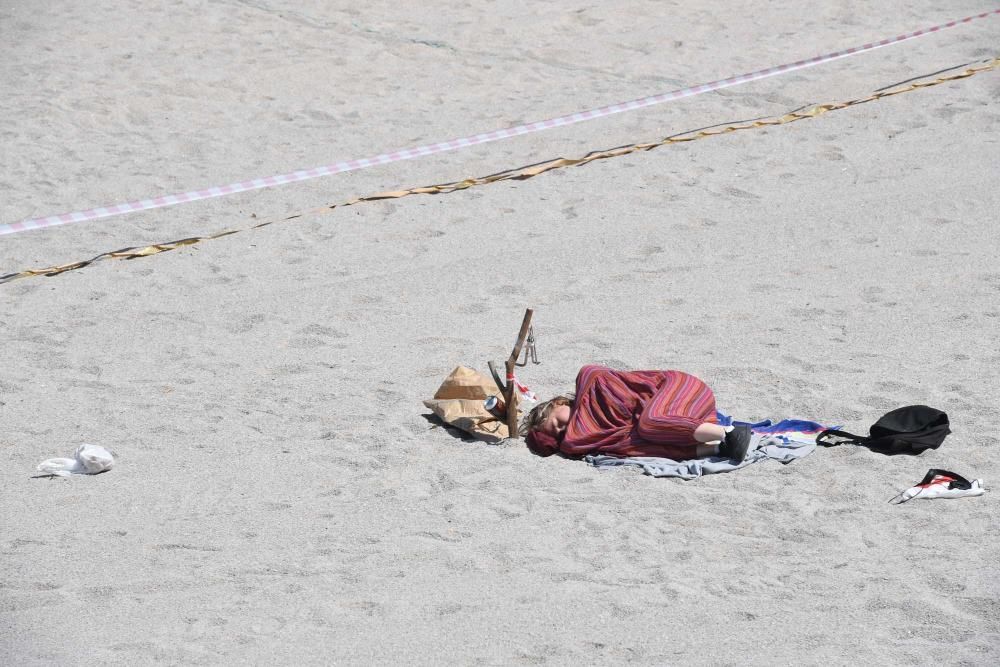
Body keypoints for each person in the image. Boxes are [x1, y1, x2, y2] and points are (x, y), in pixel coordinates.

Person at [520, 364, 752, 461]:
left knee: (649, 423)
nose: (564, 430)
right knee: (632, 443)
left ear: (559, 403)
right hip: (693, 421)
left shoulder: (590, 380)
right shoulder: (600, 434)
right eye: (559, 434)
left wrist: (569, 440)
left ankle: (730, 433)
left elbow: (594, 373)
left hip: (683, 391)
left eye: (557, 423)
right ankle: (718, 446)